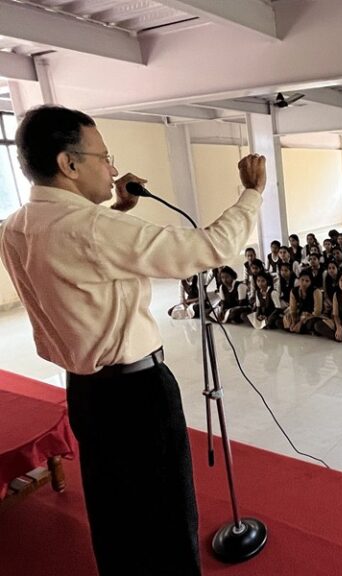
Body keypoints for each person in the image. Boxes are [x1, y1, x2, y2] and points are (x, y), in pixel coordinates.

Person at [0, 105, 267, 576]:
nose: (114, 168)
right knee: (166, 514)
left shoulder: (17, 226)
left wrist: (118, 208)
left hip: (86, 392)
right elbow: (209, 248)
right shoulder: (95, 229)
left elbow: (81, 263)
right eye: (105, 156)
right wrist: (251, 193)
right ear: (69, 164)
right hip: (136, 396)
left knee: (116, 511)